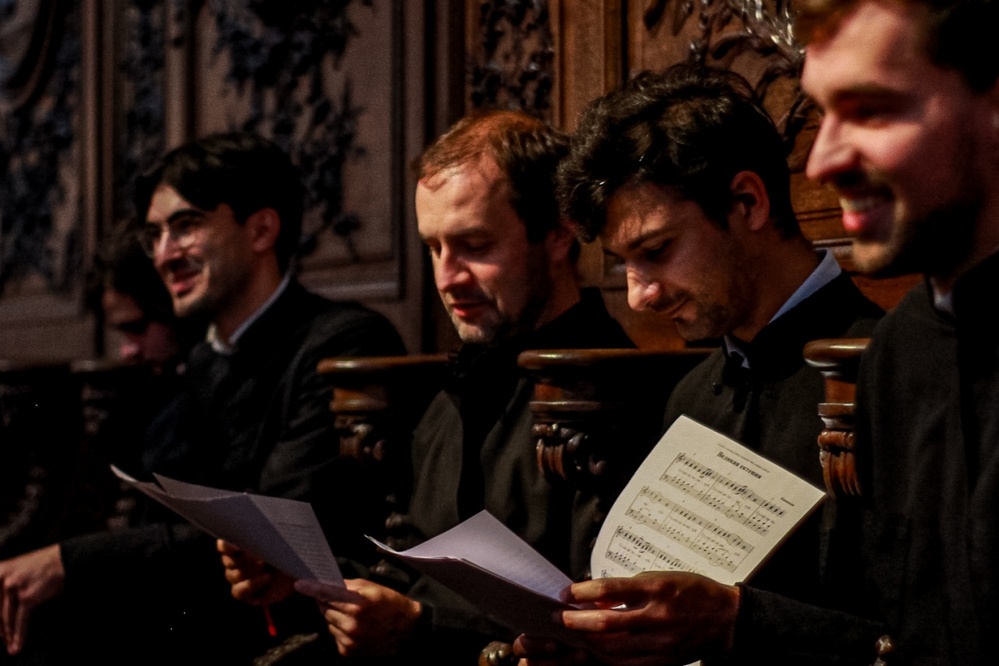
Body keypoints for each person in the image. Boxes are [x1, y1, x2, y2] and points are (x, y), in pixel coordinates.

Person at [220, 110, 636, 662]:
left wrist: (420, 628)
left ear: (558, 232)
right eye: (434, 248)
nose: (446, 278)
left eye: (474, 245)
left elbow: (594, 624)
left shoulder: (609, 392)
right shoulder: (455, 389)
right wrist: (297, 581)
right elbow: (407, 567)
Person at [512, 62, 885, 665]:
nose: (638, 296)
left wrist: (742, 623)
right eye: (623, 263)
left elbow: (926, 635)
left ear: (747, 201)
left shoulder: (886, 371)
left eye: (657, 250)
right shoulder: (690, 394)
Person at [0, 131, 406, 665]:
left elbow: (269, 531)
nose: (163, 254)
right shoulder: (202, 360)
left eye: (185, 226)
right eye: (155, 235)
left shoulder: (344, 342)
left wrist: (68, 562)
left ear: (261, 229)